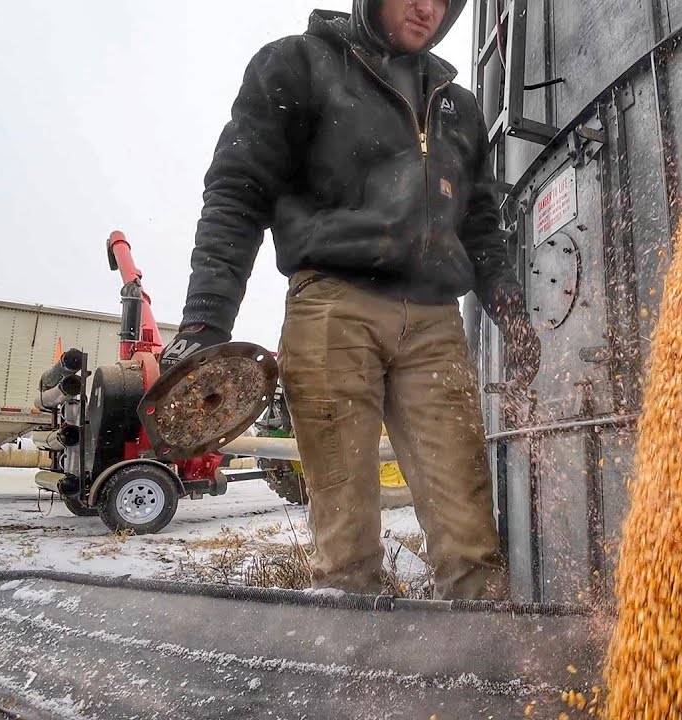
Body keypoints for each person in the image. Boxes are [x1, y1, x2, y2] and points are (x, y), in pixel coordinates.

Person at [160, 0, 540, 600]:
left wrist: (512, 311)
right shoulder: (299, 65)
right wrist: (206, 320)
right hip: (334, 307)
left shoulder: (456, 106)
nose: (428, 8)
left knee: (469, 534)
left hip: (435, 323)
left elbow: (481, 225)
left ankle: (475, 666)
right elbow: (237, 192)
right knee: (346, 538)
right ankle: (351, 666)